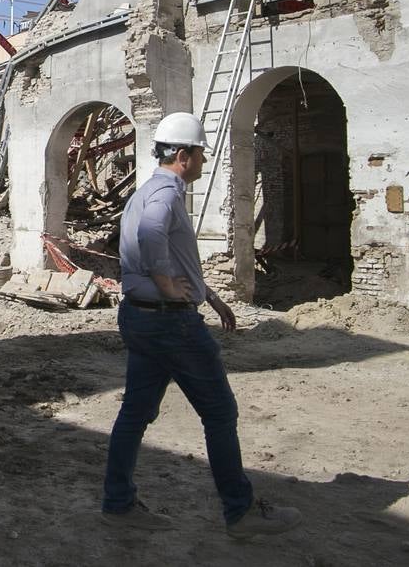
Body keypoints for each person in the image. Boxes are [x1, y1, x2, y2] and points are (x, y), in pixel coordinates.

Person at [101, 112, 300, 539]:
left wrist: (205, 294)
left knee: (135, 414)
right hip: (170, 324)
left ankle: (118, 505)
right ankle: (241, 512)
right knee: (220, 412)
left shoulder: (144, 192)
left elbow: (169, 250)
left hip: (141, 316)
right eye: (202, 154)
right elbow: (154, 235)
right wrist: (170, 288)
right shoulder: (166, 196)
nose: (205, 162)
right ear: (185, 155)